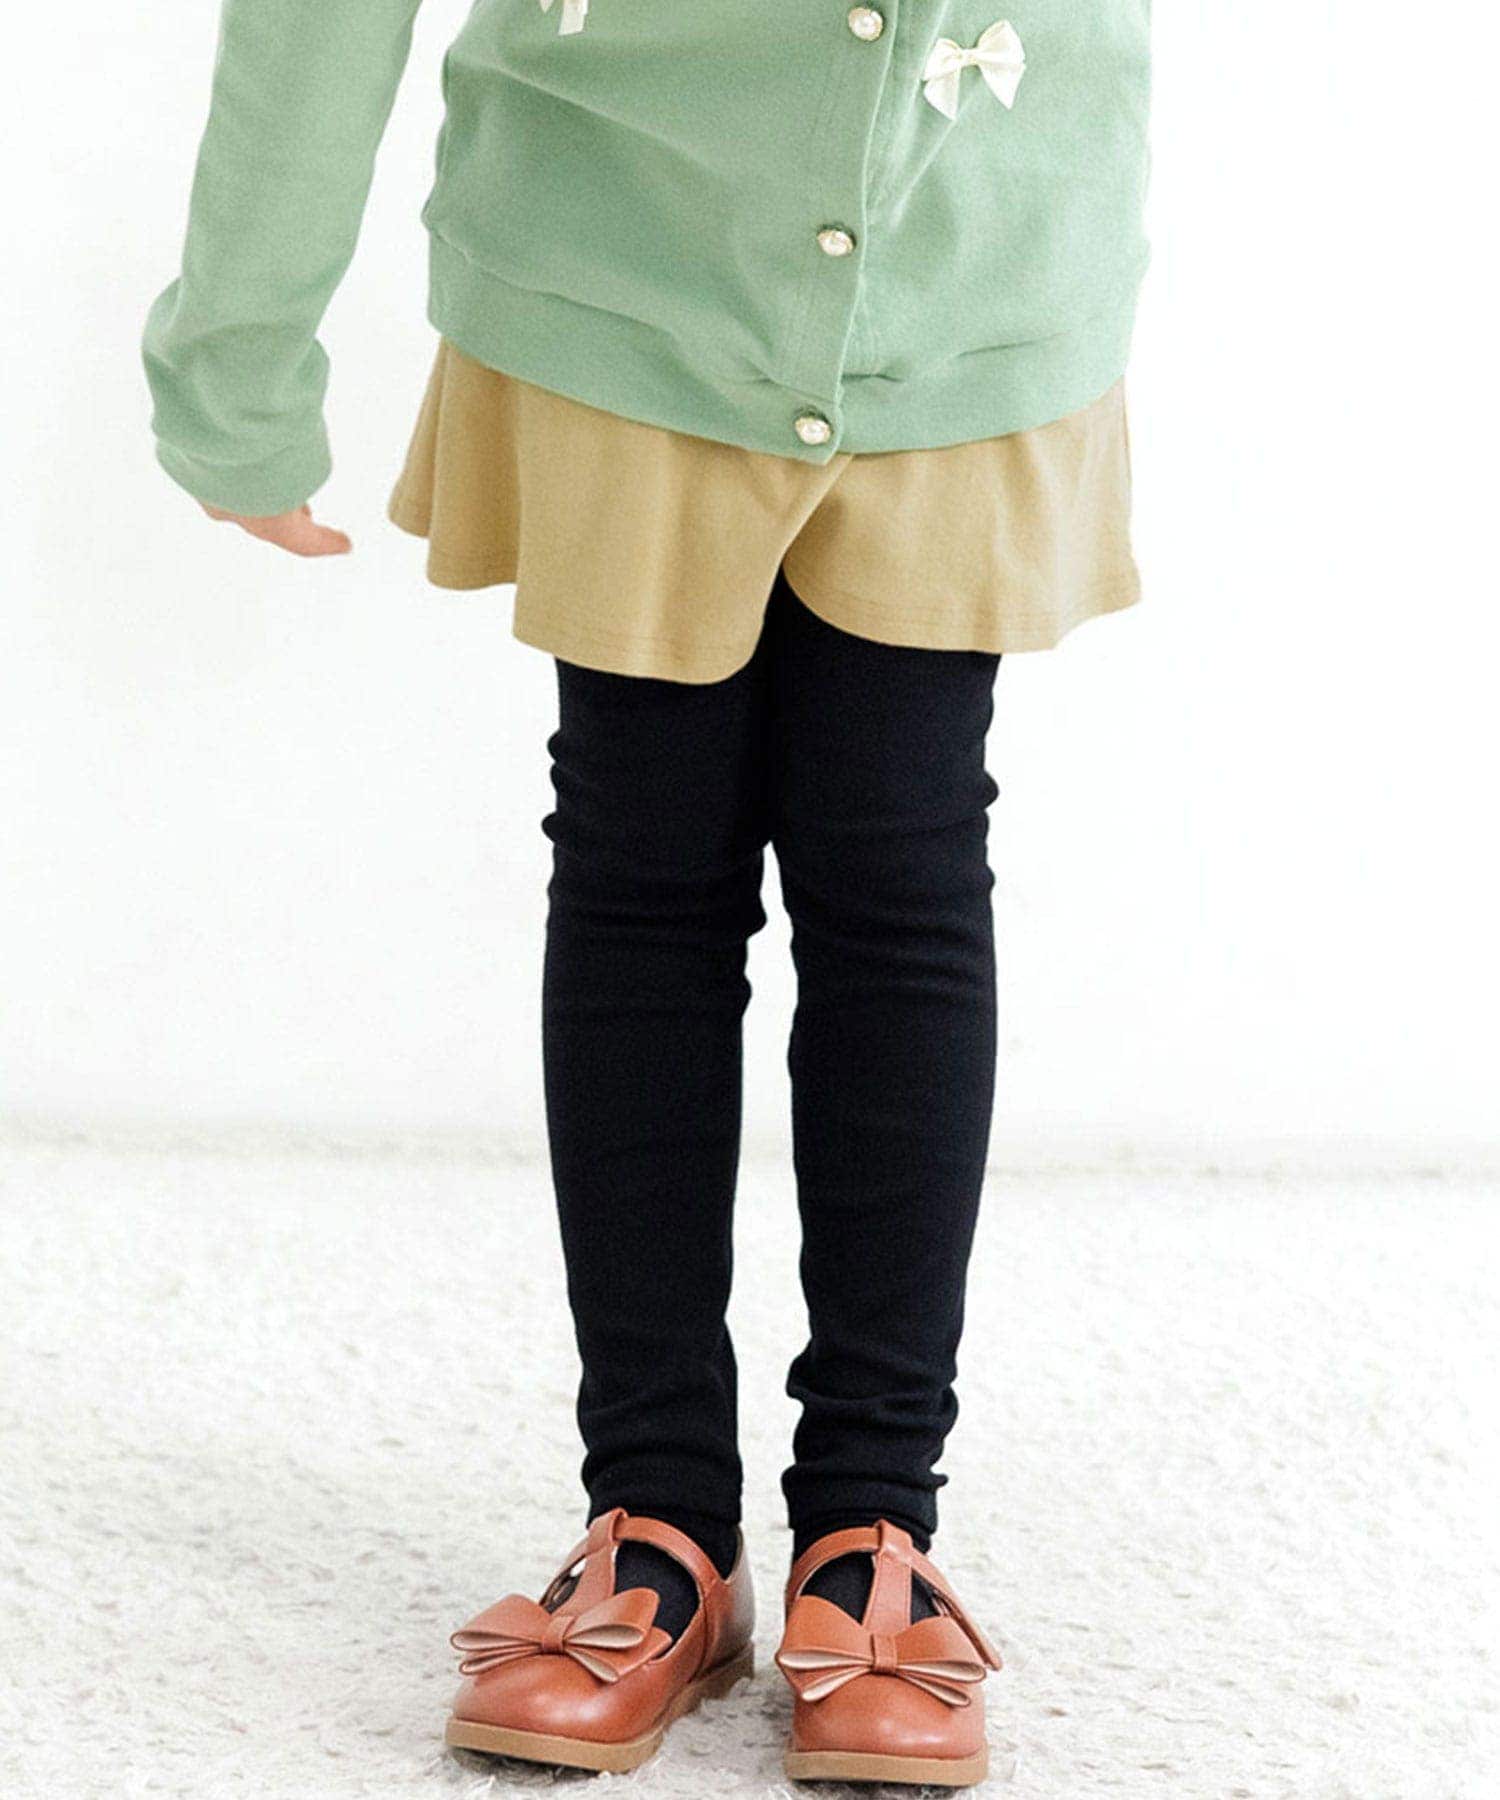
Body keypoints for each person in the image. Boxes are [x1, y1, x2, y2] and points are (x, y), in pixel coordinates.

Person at [143, 1, 1152, 1786]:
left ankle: (873, 1530)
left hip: (968, 257)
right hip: (627, 254)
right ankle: (660, 1518)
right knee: (643, 871)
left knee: (901, 872)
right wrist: (239, 344)